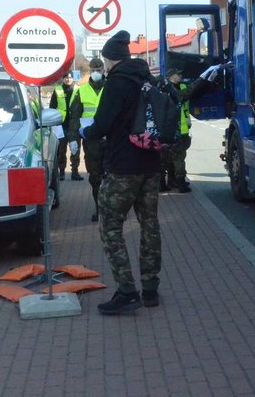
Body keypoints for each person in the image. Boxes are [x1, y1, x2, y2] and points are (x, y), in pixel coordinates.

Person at [81, 30, 162, 315]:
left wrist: (85, 131)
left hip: (123, 167)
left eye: (104, 62)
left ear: (110, 60)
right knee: (149, 224)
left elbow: (102, 125)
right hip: (151, 164)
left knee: (110, 227)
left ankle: (127, 290)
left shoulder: (117, 83)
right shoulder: (146, 78)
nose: (103, 68)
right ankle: (150, 288)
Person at [158, 67, 217, 193]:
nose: (180, 76)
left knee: (165, 158)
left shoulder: (162, 89)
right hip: (177, 129)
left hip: (167, 130)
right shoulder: (173, 92)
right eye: (178, 74)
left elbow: (193, 91)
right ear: (171, 76)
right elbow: (189, 91)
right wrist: (202, 78)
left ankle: (165, 183)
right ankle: (180, 184)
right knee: (178, 158)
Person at [67, 57, 106, 221]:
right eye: (94, 70)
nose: (97, 73)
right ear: (90, 71)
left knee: (113, 177)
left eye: (99, 70)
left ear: (104, 70)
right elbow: (74, 118)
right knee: (95, 177)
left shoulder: (112, 88)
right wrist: (73, 139)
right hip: (92, 142)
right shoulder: (81, 91)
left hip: (111, 140)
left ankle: (113, 211)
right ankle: (99, 209)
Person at [49, 71, 82, 180]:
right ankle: (62, 172)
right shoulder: (57, 90)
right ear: (63, 79)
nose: (68, 79)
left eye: (70, 77)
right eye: (66, 77)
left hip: (75, 124)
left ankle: (75, 172)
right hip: (61, 125)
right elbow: (52, 107)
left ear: (73, 78)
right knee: (61, 150)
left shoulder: (78, 89)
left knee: (75, 149)